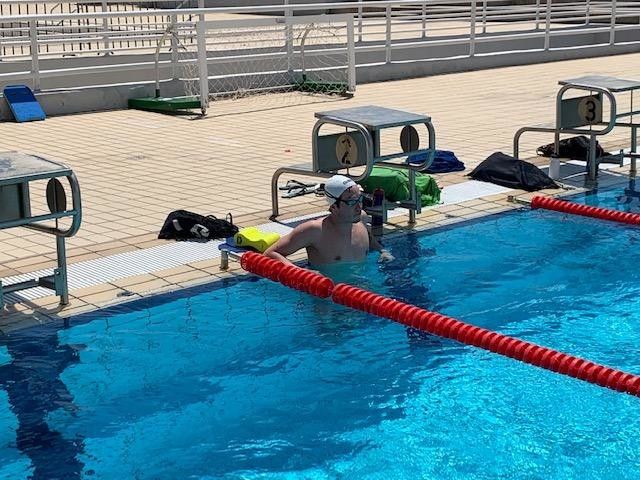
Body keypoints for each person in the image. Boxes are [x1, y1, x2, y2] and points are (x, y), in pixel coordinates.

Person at [265, 175, 395, 266]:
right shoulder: (314, 231)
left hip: (364, 290)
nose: (358, 207)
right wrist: (300, 273)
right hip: (329, 294)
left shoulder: (361, 218)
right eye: (351, 202)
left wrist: (382, 251)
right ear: (333, 207)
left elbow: (369, 239)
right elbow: (270, 254)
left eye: (360, 199)